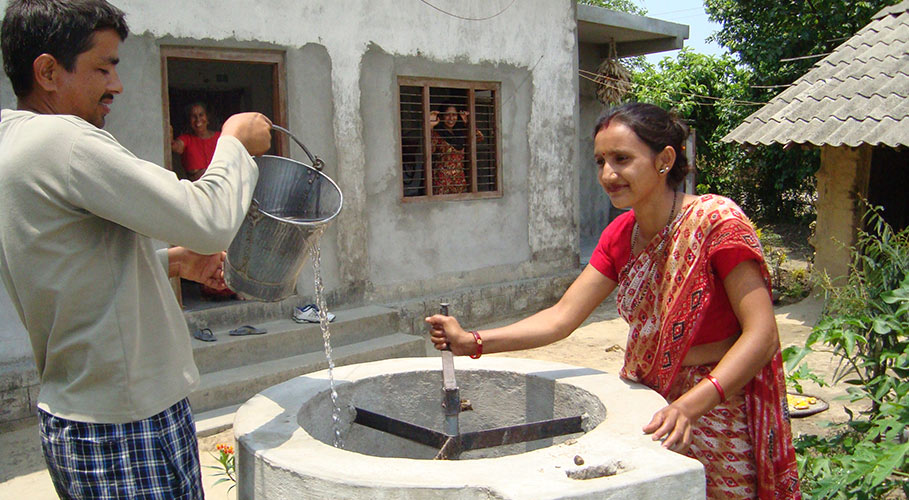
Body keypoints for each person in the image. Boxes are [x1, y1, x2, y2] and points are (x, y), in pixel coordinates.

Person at [427, 102, 802, 499]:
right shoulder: (621, 235)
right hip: (648, 401)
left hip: (717, 404)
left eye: (622, 159)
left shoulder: (716, 223)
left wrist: (689, 407)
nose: (608, 174)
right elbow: (561, 318)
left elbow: (762, 336)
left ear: (664, 160)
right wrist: (472, 341)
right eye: (600, 161)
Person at [0, 0, 272, 498]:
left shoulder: (13, 142)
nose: (117, 85)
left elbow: (67, 271)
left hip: (86, 415)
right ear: (48, 72)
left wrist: (174, 261)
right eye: (103, 68)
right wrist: (233, 140)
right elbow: (208, 220)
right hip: (124, 428)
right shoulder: (65, 142)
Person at [429, 103, 483, 194]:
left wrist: (468, 122)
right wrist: (430, 126)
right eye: (447, 115)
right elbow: (429, 149)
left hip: (459, 181)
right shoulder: (437, 134)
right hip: (442, 182)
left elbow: (479, 138)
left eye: (454, 115)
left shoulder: (459, 134)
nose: (451, 118)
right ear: (441, 116)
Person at [171, 101, 221, 181]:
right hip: (196, 186)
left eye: (201, 115)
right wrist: (168, 132)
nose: (198, 119)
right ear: (189, 121)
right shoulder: (186, 139)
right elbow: (175, 146)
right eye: (193, 116)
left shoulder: (220, 137)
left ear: (207, 118)